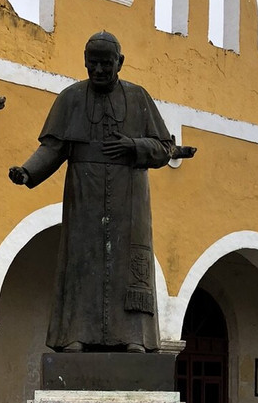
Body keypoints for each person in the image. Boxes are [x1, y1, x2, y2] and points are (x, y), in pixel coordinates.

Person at [9, 31, 173, 353]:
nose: (99, 70)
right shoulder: (70, 99)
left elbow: (165, 148)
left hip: (130, 200)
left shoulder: (139, 98)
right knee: (82, 262)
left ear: (120, 63)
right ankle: (75, 334)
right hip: (84, 197)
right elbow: (53, 147)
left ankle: (134, 337)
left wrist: (134, 146)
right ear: (85, 62)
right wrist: (28, 171)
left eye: (106, 64)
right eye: (93, 64)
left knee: (129, 266)